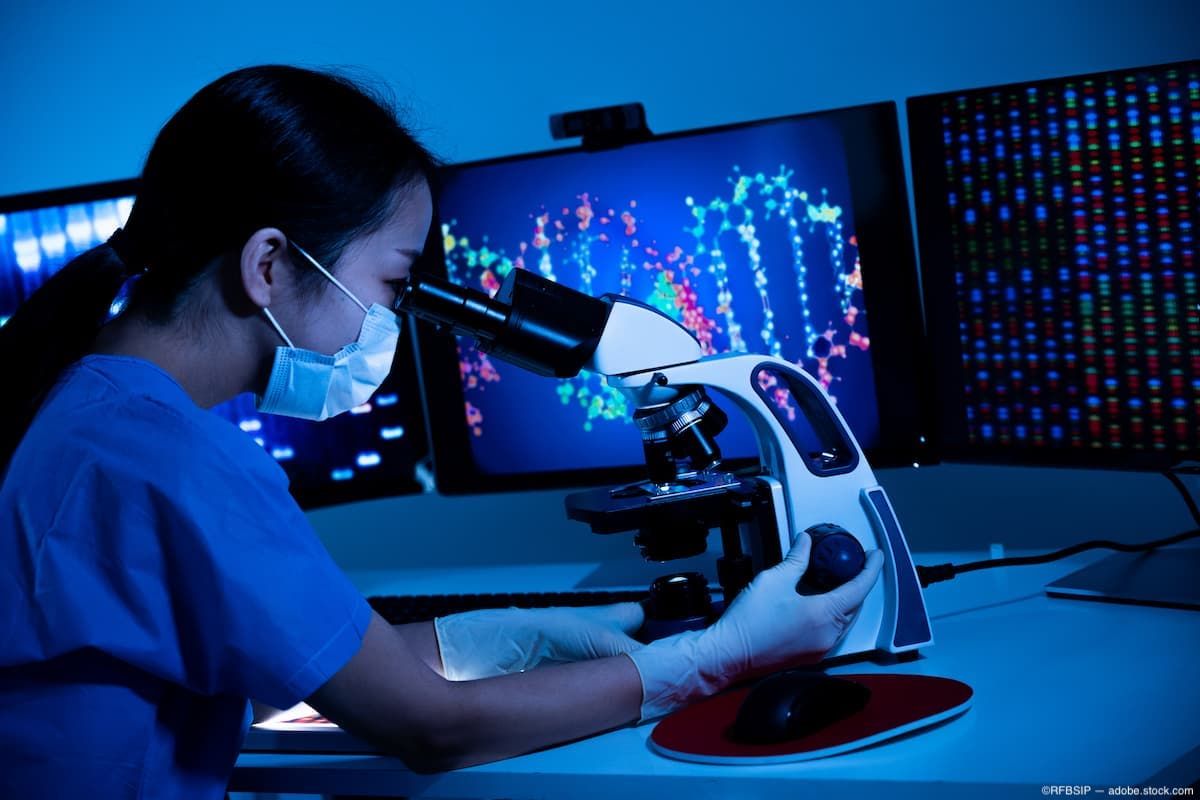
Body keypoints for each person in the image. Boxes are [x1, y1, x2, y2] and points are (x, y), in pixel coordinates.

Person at [0, 64, 884, 797]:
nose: (391, 326)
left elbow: (305, 660)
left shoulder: (81, 408)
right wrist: (718, 660)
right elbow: (431, 729)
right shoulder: (173, 462)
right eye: (393, 287)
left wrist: (484, 638)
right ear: (269, 264)